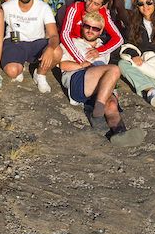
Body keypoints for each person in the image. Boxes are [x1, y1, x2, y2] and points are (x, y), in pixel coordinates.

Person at [58, 10, 142, 145]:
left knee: (112, 104)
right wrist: (82, 65)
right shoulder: (72, 43)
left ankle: (119, 132)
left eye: (95, 28)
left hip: (99, 87)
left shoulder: (103, 48)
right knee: (114, 69)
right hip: (79, 80)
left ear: (101, 31)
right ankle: (98, 110)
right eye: (87, 26)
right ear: (82, 26)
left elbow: (123, 44)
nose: (90, 31)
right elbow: (62, 64)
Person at [0, 0, 59, 92]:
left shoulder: (43, 7)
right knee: (12, 72)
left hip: (37, 42)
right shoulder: (7, 6)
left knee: (57, 52)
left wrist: (50, 48)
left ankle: (40, 74)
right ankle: (18, 65)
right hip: (15, 41)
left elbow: (54, 35)